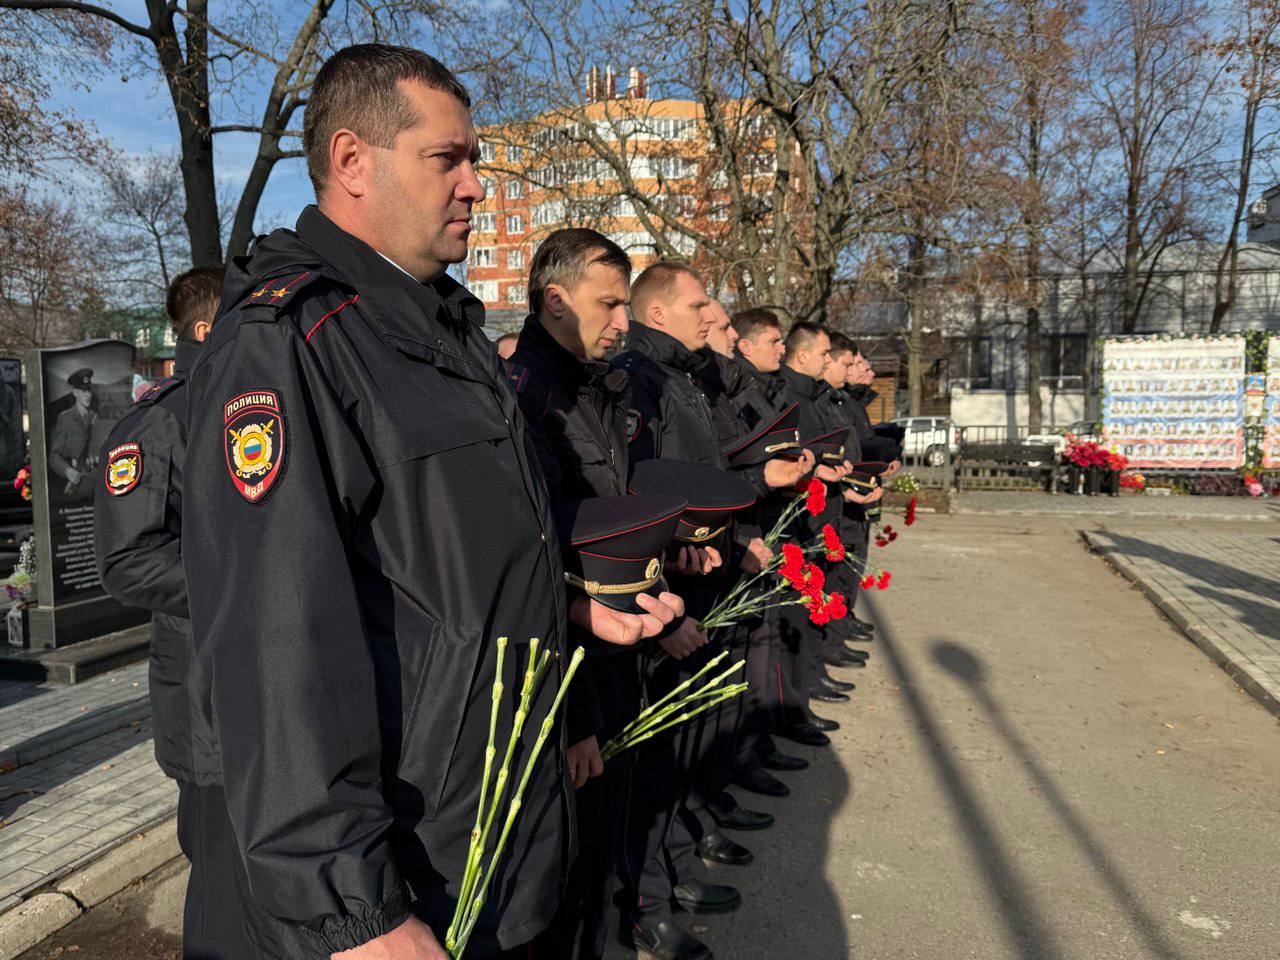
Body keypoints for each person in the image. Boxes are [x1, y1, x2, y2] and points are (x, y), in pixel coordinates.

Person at [181, 45, 679, 960]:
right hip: (406, 860)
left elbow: (454, 565)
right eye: (448, 159)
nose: (477, 187)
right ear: (352, 161)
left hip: (498, 806)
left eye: (475, 159)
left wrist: (573, 620)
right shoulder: (288, 343)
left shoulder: (446, 330)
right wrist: (351, 909)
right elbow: (273, 639)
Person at [506, 228, 695, 960]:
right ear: (555, 301)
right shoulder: (528, 399)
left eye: (626, 304)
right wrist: (576, 713)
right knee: (564, 868)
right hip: (568, 664)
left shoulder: (596, 389)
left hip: (619, 649)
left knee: (610, 823)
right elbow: (536, 559)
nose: (624, 322)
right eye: (608, 304)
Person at [95, 265, 251, 960]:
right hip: (204, 692)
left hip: (263, 684)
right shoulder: (159, 423)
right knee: (223, 885)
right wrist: (249, 584)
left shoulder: (250, 403)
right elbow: (128, 562)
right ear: (207, 329)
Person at [48, 368, 98, 498]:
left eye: (89, 391)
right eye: (83, 391)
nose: (88, 395)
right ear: (75, 392)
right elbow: (54, 456)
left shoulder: (95, 416)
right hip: (77, 484)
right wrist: (67, 471)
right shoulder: (66, 418)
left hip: (95, 482)